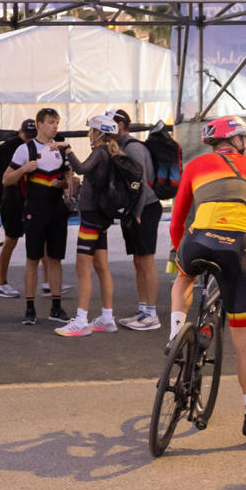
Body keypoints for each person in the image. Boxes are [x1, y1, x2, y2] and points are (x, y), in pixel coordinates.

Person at [168, 116, 246, 443]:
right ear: (239, 140)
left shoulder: (196, 164)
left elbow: (177, 216)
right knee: (245, 343)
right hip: (235, 247)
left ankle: (175, 335)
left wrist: (178, 250)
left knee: (184, 279)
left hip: (198, 240)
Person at [3, 108, 73, 326]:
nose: (55, 127)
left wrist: (64, 183)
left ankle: (56, 306)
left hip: (57, 210)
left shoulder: (61, 149)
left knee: (55, 258)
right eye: (51, 122)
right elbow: (6, 180)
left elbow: (69, 179)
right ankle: (30, 308)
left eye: (57, 123)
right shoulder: (25, 149)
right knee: (32, 259)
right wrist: (24, 168)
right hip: (35, 209)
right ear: (40, 124)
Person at [55, 113, 124, 336]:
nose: (88, 135)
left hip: (92, 218)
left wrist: (67, 150)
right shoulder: (109, 153)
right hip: (100, 218)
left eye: (91, 131)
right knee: (101, 266)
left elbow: (82, 169)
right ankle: (106, 317)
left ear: (98, 133)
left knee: (82, 268)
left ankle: (82, 320)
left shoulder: (99, 153)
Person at [109, 111, 163, 331]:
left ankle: (152, 314)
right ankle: (143, 309)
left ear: (121, 125)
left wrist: (137, 212)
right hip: (136, 210)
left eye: (110, 125)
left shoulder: (133, 148)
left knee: (146, 261)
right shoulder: (121, 147)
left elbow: (142, 182)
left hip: (146, 209)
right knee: (138, 261)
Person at [0, 120, 36, 298]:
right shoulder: (11, 148)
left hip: (23, 199)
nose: (29, 137)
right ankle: (1, 282)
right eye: (27, 134)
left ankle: (49, 282)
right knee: (11, 241)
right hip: (13, 200)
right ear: (20, 132)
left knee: (39, 239)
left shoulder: (18, 146)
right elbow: (5, 178)